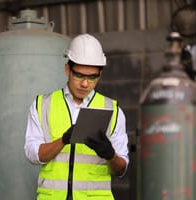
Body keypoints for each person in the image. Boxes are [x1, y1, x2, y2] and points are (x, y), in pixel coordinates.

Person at [24, 33, 129, 200]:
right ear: (67, 70)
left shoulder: (113, 110)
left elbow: (121, 169)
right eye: (79, 75)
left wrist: (110, 155)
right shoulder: (42, 105)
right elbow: (32, 154)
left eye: (92, 77)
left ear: (99, 74)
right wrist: (63, 141)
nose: (85, 83)